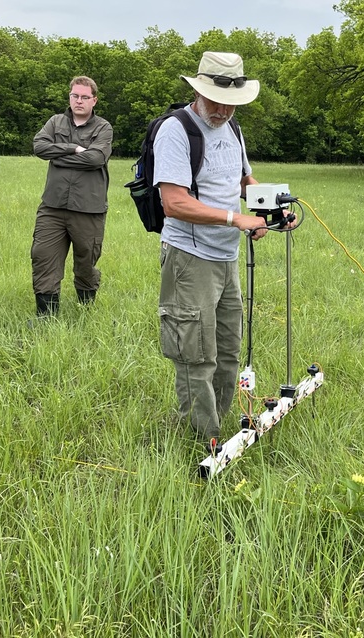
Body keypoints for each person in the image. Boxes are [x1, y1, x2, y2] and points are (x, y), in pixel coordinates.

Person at [154, 51, 276, 445]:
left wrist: (273, 208)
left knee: (227, 349)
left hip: (227, 258)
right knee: (196, 353)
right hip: (190, 259)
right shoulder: (176, 130)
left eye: (231, 103)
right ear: (199, 92)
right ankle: (201, 440)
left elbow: (243, 181)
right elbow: (174, 202)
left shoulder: (232, 128)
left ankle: (221, 431)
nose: (223, 110)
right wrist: (235, 219)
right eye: (217, 101)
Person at [30, 76, 114, 317]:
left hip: (88, 208)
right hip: (53, 207)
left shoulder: (103, 128)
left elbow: (95, 158)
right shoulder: (55, 122)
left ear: (94, 100)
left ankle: (86, 312)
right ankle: (46, 317)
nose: (79, 101)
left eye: (85, 97)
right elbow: (39, 147)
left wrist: (57, 156)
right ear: (69, 97)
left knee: (85, 263)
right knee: (43, 257)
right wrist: (73, 148)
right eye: (75, 96)